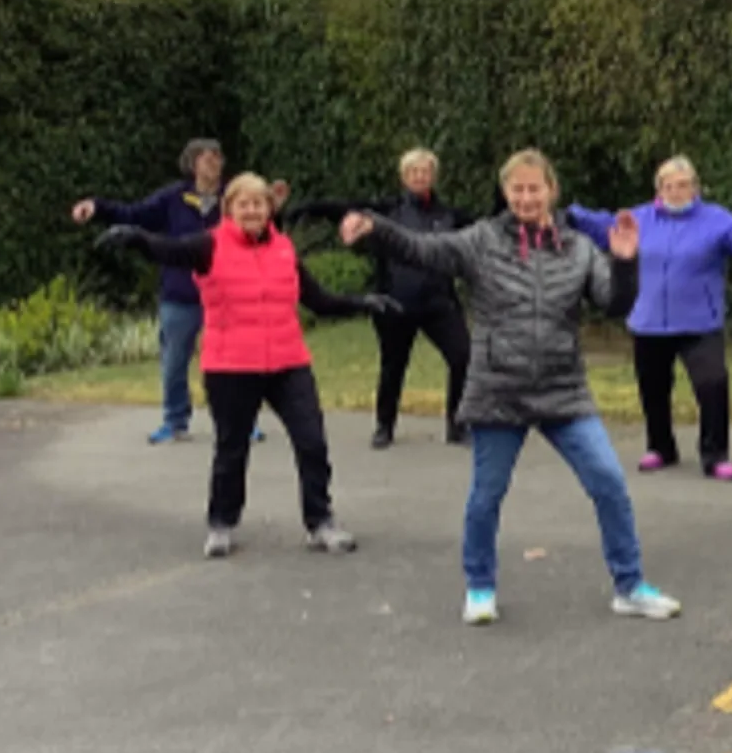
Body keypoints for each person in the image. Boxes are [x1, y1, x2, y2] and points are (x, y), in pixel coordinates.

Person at [339, 149, 680, 625]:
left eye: (533, 188)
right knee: (487, 494)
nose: (525, 197)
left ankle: (630, 585)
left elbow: (614, 304)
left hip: (564, 390)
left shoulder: (578, 247)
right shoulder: (482, 241)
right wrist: (375, 228)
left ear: (551, 191)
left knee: (609, 482)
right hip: (498, 389)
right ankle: (480, 587)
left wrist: (625, 263)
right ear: (506, 193)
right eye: (516, 189)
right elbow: (423, 249)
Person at [96, 174, 391, 558]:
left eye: (259, 204)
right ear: (229, 210)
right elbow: (167, 250)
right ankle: (221, 523)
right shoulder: (208, 246)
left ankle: (320, 521)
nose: (252, 211)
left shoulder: (284, 249)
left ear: (270, 209)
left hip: (288, 362)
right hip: (231, 366)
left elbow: (318, 300)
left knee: (312, 442)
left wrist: (361, 302)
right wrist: (136, 238)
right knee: (232, 448)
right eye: (244, 204)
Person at [567, 157, 732, 482]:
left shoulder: (715, 219)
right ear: (658, 190)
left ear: (695, 188)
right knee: (653, 388)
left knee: (712, 384)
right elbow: (604, 226)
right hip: (648, 321)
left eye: (683, 185)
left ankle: (715, 454)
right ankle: (661, 447)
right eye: (668, 186)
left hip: (699, 321)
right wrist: (571, 214)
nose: (676, 191)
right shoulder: (639, 218)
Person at [72, 139, 275, 446]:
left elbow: (261, 229)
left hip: (226, 294)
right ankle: (175, 421)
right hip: (181, 295)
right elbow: (134, 213)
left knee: (236, 360)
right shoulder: (173, 198)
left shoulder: (232, 199)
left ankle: (242, 421)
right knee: (174, 361)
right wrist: (97, 207)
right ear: (193, 163)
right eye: (207, 158)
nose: (214, 163)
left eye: (218, 157)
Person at [287, 148, 477, 449]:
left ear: (433, 176)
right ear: (404, 177)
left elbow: (486, 230)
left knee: (464, 357)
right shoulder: (387, 210)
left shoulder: (449, 215)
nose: (419, 177)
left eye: (425, 171)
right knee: (393, 364)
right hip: (395, 300)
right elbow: (345, 208)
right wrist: (309, 208)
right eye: (413, 172)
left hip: (439, 301)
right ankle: (384, 426)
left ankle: (458, 424)